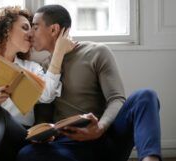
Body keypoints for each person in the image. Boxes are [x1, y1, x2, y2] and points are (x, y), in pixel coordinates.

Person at [17, 4, 162, 161]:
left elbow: (117, 99)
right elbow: (44, 113)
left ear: (53, 29)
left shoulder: (96, 52)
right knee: (27, 155)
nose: (30, 33)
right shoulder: (44, 69)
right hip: (69, 146)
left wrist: (100, 127)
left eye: (35, 27)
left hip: (105, 139)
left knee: (145, 96)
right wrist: (41, 133)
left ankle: (150, 159)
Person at [0, 6, 75, 161]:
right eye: (25, 28)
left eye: (32, 29)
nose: (31, 34)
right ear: (6, 30)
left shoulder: (32, 68)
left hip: (19, 135)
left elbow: (47, 96)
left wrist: (58, 53)